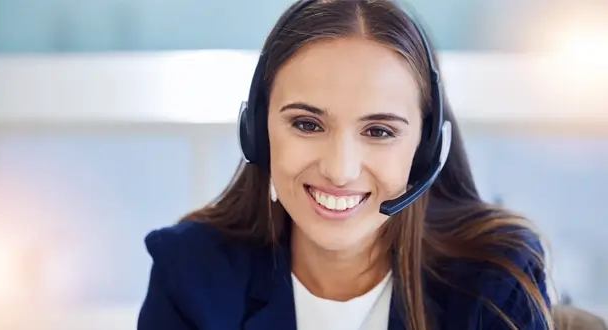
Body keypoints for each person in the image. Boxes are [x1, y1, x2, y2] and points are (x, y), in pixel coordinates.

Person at [137, 0, 552, 329]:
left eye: (379, 132)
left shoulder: (493, 280)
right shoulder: (189, 272)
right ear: (258, 131)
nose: (340, 169)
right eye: (307, 124)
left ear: (426, 149)